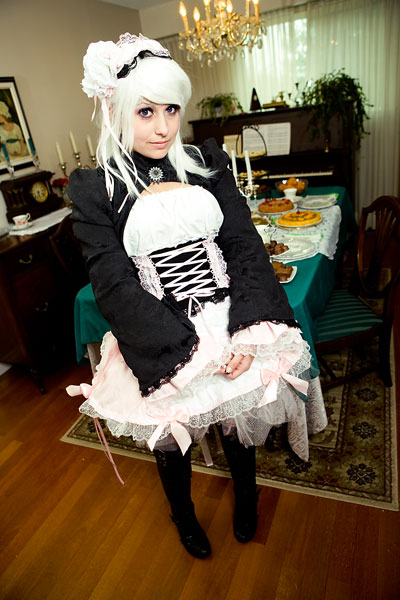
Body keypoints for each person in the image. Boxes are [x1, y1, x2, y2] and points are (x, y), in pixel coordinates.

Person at [67, 33, 327, 560]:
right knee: (173, 439)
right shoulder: (97, 189)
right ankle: (183, 516)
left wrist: (245, 333)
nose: (163, 127)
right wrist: (182, 355)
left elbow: (243, 245)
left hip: (228, 320)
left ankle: (247, 498)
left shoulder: (205, 161)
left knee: (234, 422)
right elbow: (113, 285)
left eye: (171, 109)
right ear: (116, 109)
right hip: (158, 337)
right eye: (145, 111)